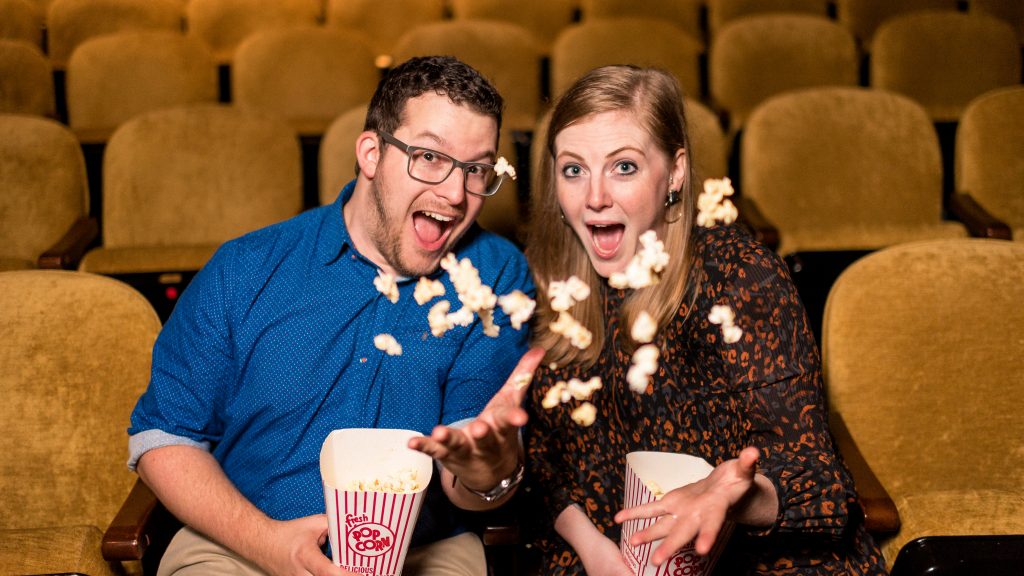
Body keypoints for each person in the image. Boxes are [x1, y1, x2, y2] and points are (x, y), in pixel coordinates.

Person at [128, 55, 542, 576]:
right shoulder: (244, 269)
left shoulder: (495, 276)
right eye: (430, 158)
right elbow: (163, 437)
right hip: (240, 542)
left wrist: (490, 471)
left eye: (477, 169)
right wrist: (266, 544)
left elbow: (469, 474)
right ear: (371, 153)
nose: (456, 195)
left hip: (423, 550)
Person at [522, 65, 888, 574]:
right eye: (573, 169)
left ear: (674, 172)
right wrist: (591, 546)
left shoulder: (737, 278)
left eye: (623, 167)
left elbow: (820, 481)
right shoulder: (547, 285)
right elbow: (542, 459)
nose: (595, 197)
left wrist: (738, 498)